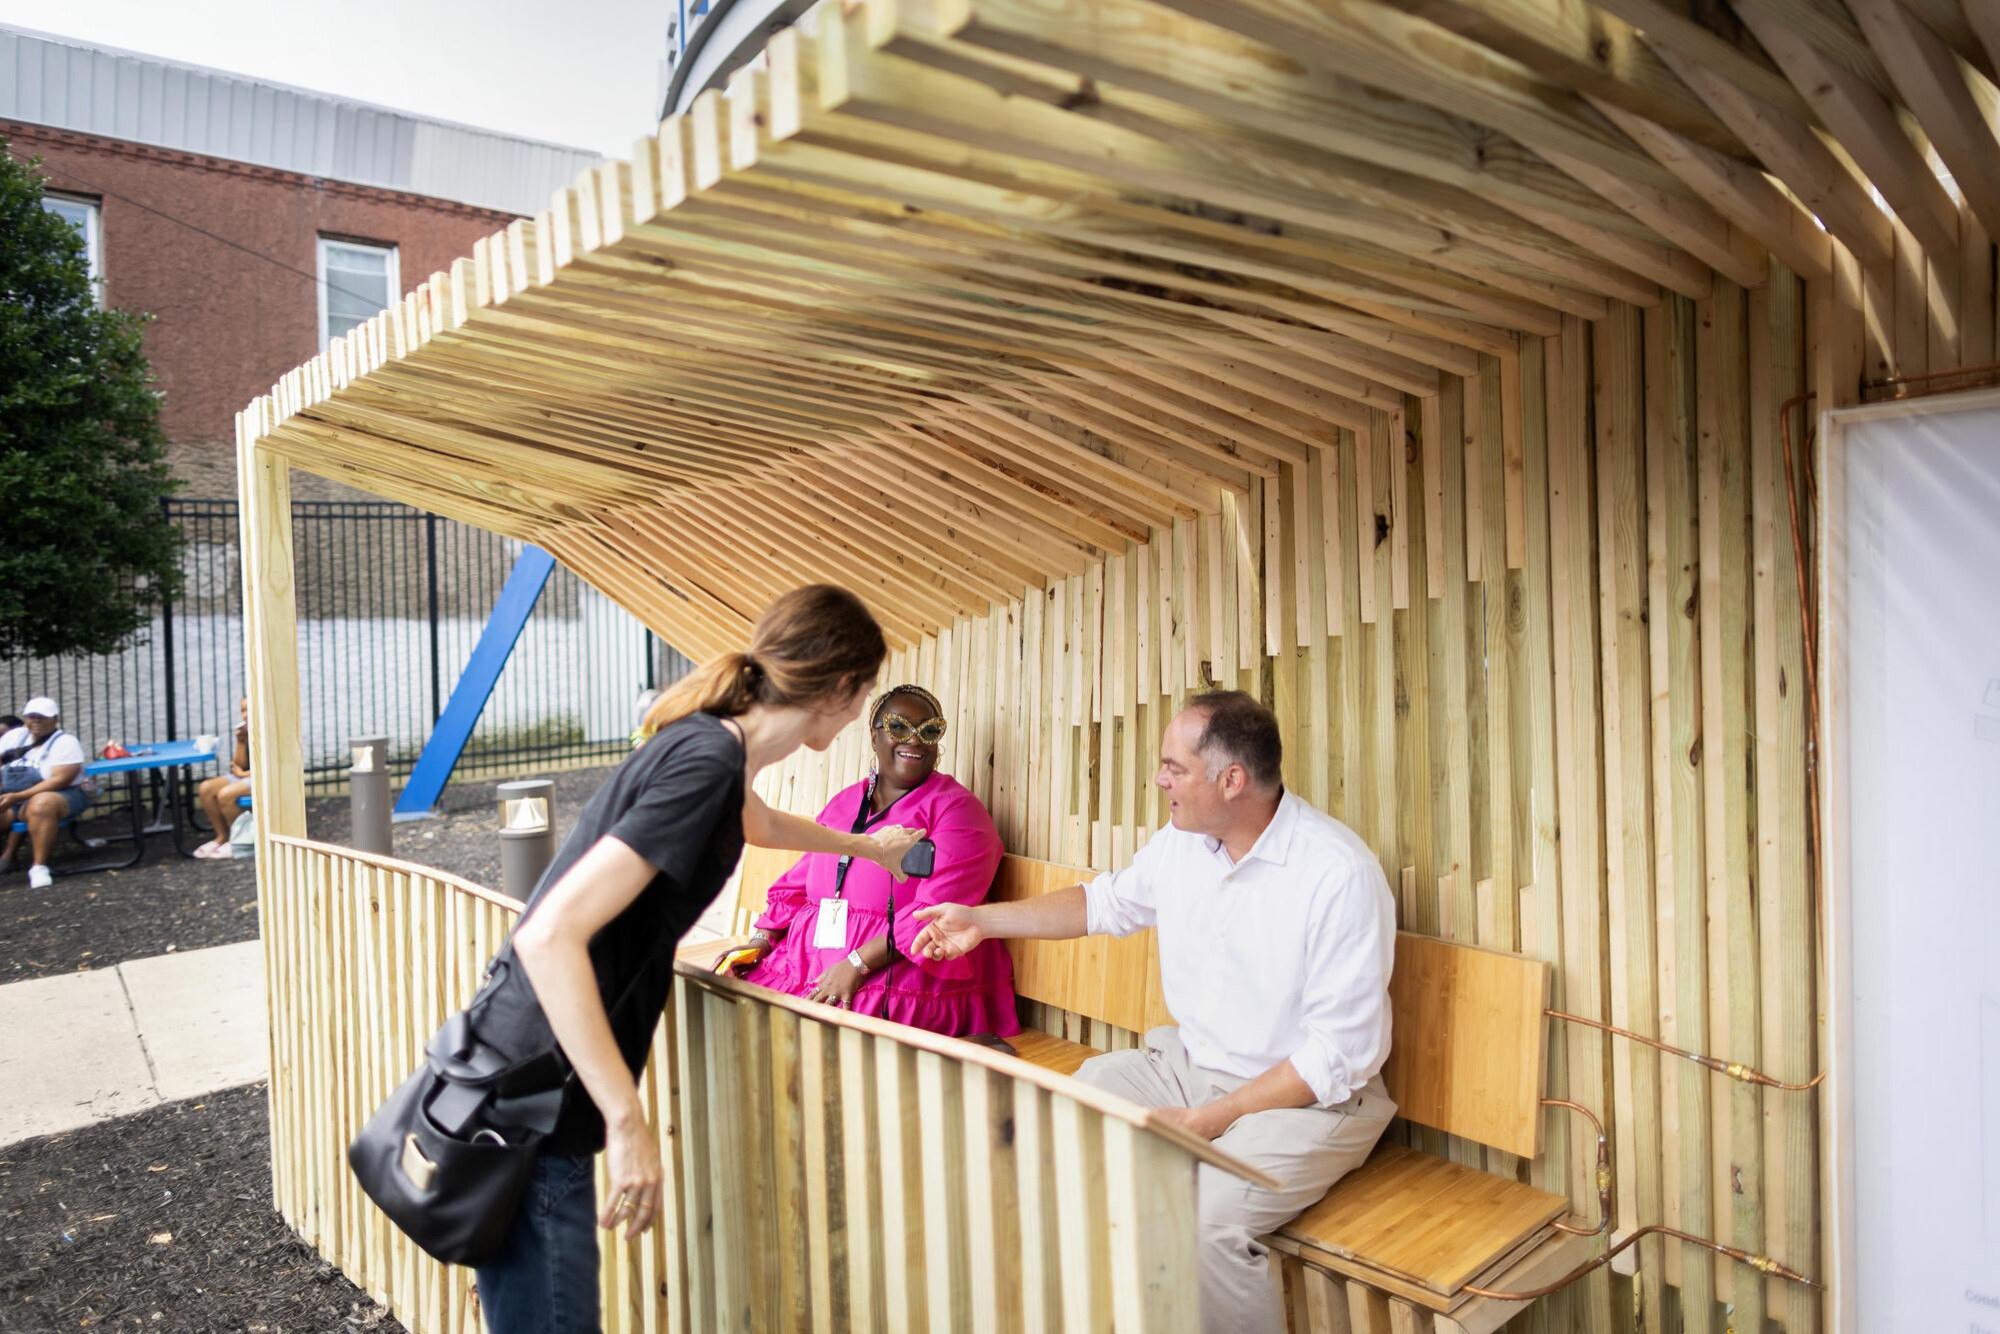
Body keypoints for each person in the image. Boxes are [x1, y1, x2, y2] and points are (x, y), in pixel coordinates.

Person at [469, 585, 921, 1334]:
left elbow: (761, 822)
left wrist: (867, 848)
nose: (862, 712)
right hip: (539, 1087)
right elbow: (547, 937)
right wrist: (627, 1120)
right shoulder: (707, 762)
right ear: (841, 688)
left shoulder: (717, 745)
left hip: (539, 1075)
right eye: (867, 692)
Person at [911, 690, 1397, 1334]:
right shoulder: (1185, 842)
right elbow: (1101, 904)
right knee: (1057, 1122)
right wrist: (981, 920)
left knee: (1201, 1218)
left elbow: (1336, 1055)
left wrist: (1212, 1119)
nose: (1159, 778)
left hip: (1309, 1102)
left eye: (1175, 767)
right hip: (1189, 1065)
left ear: (1232, 780)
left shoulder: (1337, 875)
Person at [725, 684, 1017, 1039]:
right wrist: (762, 938)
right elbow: (798, 882)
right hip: (811, 958)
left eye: (928, 730)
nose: (914, 740)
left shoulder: (957, 810)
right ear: (874, 736)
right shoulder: (845, 801)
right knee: (732, 992)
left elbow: (939, 913)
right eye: (898, 727)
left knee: (829, 1029)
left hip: (903, 965)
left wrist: (856, 965)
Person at [0, 697, 93, 890]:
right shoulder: (14, 737)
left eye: (42, 717)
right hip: (13, 798)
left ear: (55, 719)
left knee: (41, 804)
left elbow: (61, 780)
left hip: (61, 795)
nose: (36, 721)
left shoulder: (66, 742)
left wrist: (18, 796)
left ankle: (39, 866)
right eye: (31, 716)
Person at [193, 697, 252, 859]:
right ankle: (222, 837)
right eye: (243, 710)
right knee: (206, 788)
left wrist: (242, 774)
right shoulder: (246, 731)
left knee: (226, 794)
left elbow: (268, 767)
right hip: (246, 775)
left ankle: (240, 841)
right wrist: (241, 741)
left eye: (250, 710)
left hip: (262, 779)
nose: (245, 715)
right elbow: (238, 764)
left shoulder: (269, 730)